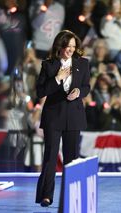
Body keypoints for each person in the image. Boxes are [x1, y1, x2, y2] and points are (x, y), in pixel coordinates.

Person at [35, 30, 90, 207]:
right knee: (50, 157)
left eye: (74, 47)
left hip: (74, 115)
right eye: (68, 47)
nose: (71, 50)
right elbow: (41, 92)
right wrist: (58, 78)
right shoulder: (48, 65)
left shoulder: (83, 63)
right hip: (53, 116)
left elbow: (86, 86)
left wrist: (79, 92)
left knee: (72, 158)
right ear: (60, 47)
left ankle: (70, 195)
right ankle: (46, 196)